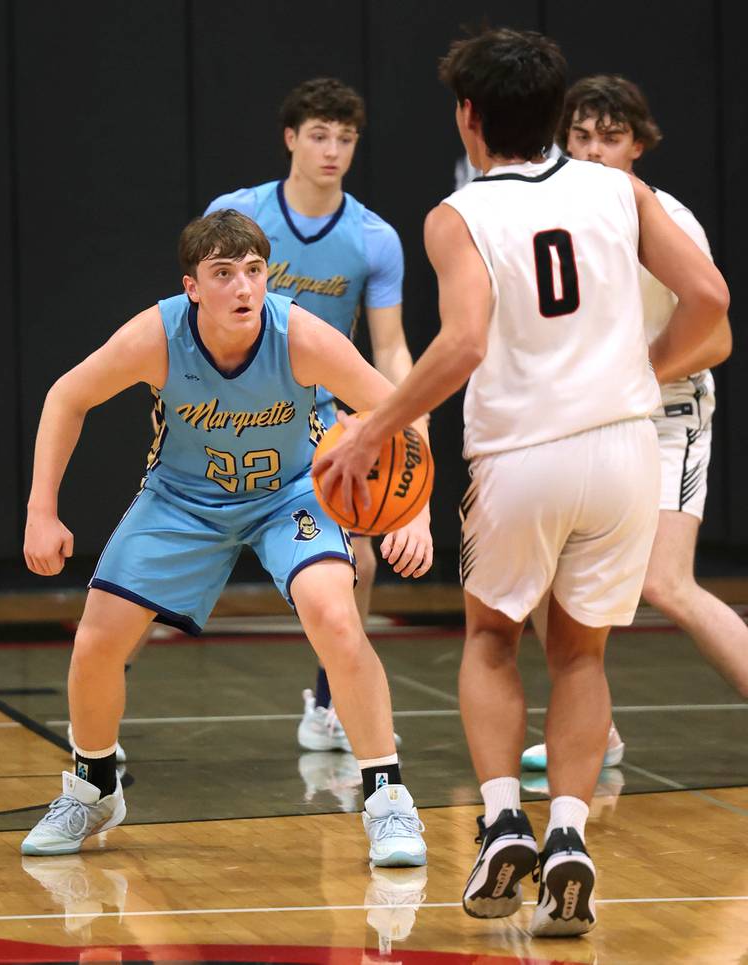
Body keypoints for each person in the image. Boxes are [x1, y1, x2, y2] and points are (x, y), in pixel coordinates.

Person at [313, 27, 728, 936]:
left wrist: (375, 427)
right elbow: (711, 300)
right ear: (554, 112)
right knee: (581, 652)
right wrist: (638, 372)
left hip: (522, 454)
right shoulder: (620, 188)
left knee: (493, 637)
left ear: (469, 115)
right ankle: (572, 837)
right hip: (624, 451)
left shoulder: (458, 215)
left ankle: (504, 818)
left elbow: (460, 344)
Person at [20, 209, 430, 869]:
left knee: (336, 614)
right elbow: (66, 396)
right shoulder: (155, 335)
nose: (243, 287)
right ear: (192, 286)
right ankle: (93, 787)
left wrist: (414, 512)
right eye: (223, 273)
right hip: (182, 498)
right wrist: (43, 510)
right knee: (96, 638)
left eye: (254, 271)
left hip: (291, 492)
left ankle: (387, 798)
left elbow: (397, 407)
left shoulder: (300, 334)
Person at [202, 77, 426, 753]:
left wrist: (413, 448)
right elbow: (195, 313)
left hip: (322, 415)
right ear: (291, 138)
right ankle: (103, 724)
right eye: (320, 135)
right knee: (163, 558)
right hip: (230, 404)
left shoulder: (372, 237)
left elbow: (389, 349)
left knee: (358, 551)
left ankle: (331, 703)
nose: (333, 151)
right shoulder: (238, 217)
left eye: (346, 138)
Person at [521, 75, 737, 773]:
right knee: (537, 574)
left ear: (638, 145)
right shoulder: (547, 215)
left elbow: (717, 339)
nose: (591, 150)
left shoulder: (664, 216)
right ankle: (597, 729)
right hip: (592, 417)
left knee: (667, 584)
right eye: (579, 136)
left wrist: (638, 372)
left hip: (668, 411)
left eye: (609, 137)